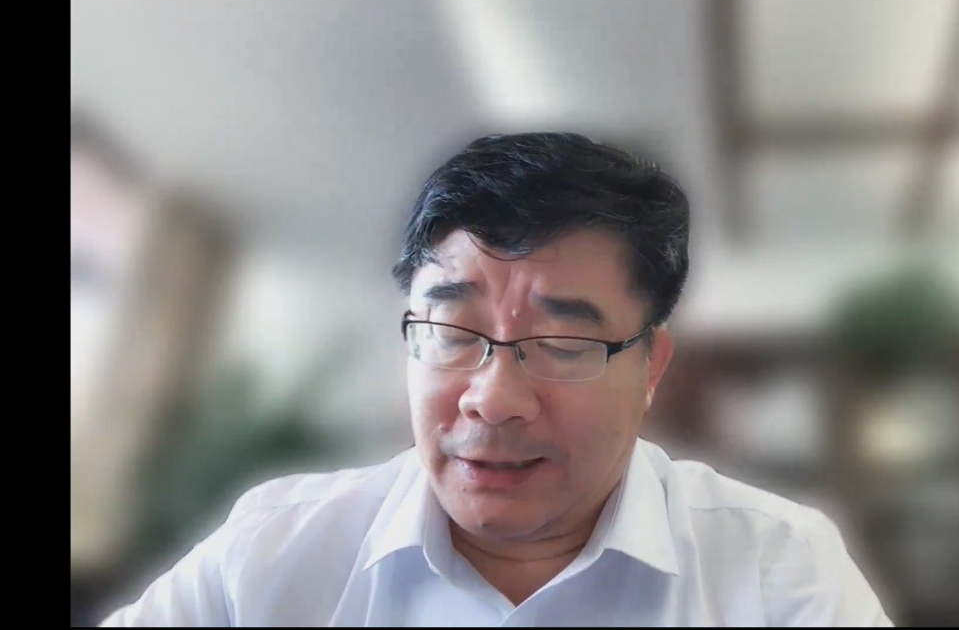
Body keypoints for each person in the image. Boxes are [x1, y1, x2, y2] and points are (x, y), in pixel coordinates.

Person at [99, 133, 892, 626]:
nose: (494, 399)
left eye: (563, 342)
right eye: (452, 332)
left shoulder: (777, 570)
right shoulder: (275, 554)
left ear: (650, 366)